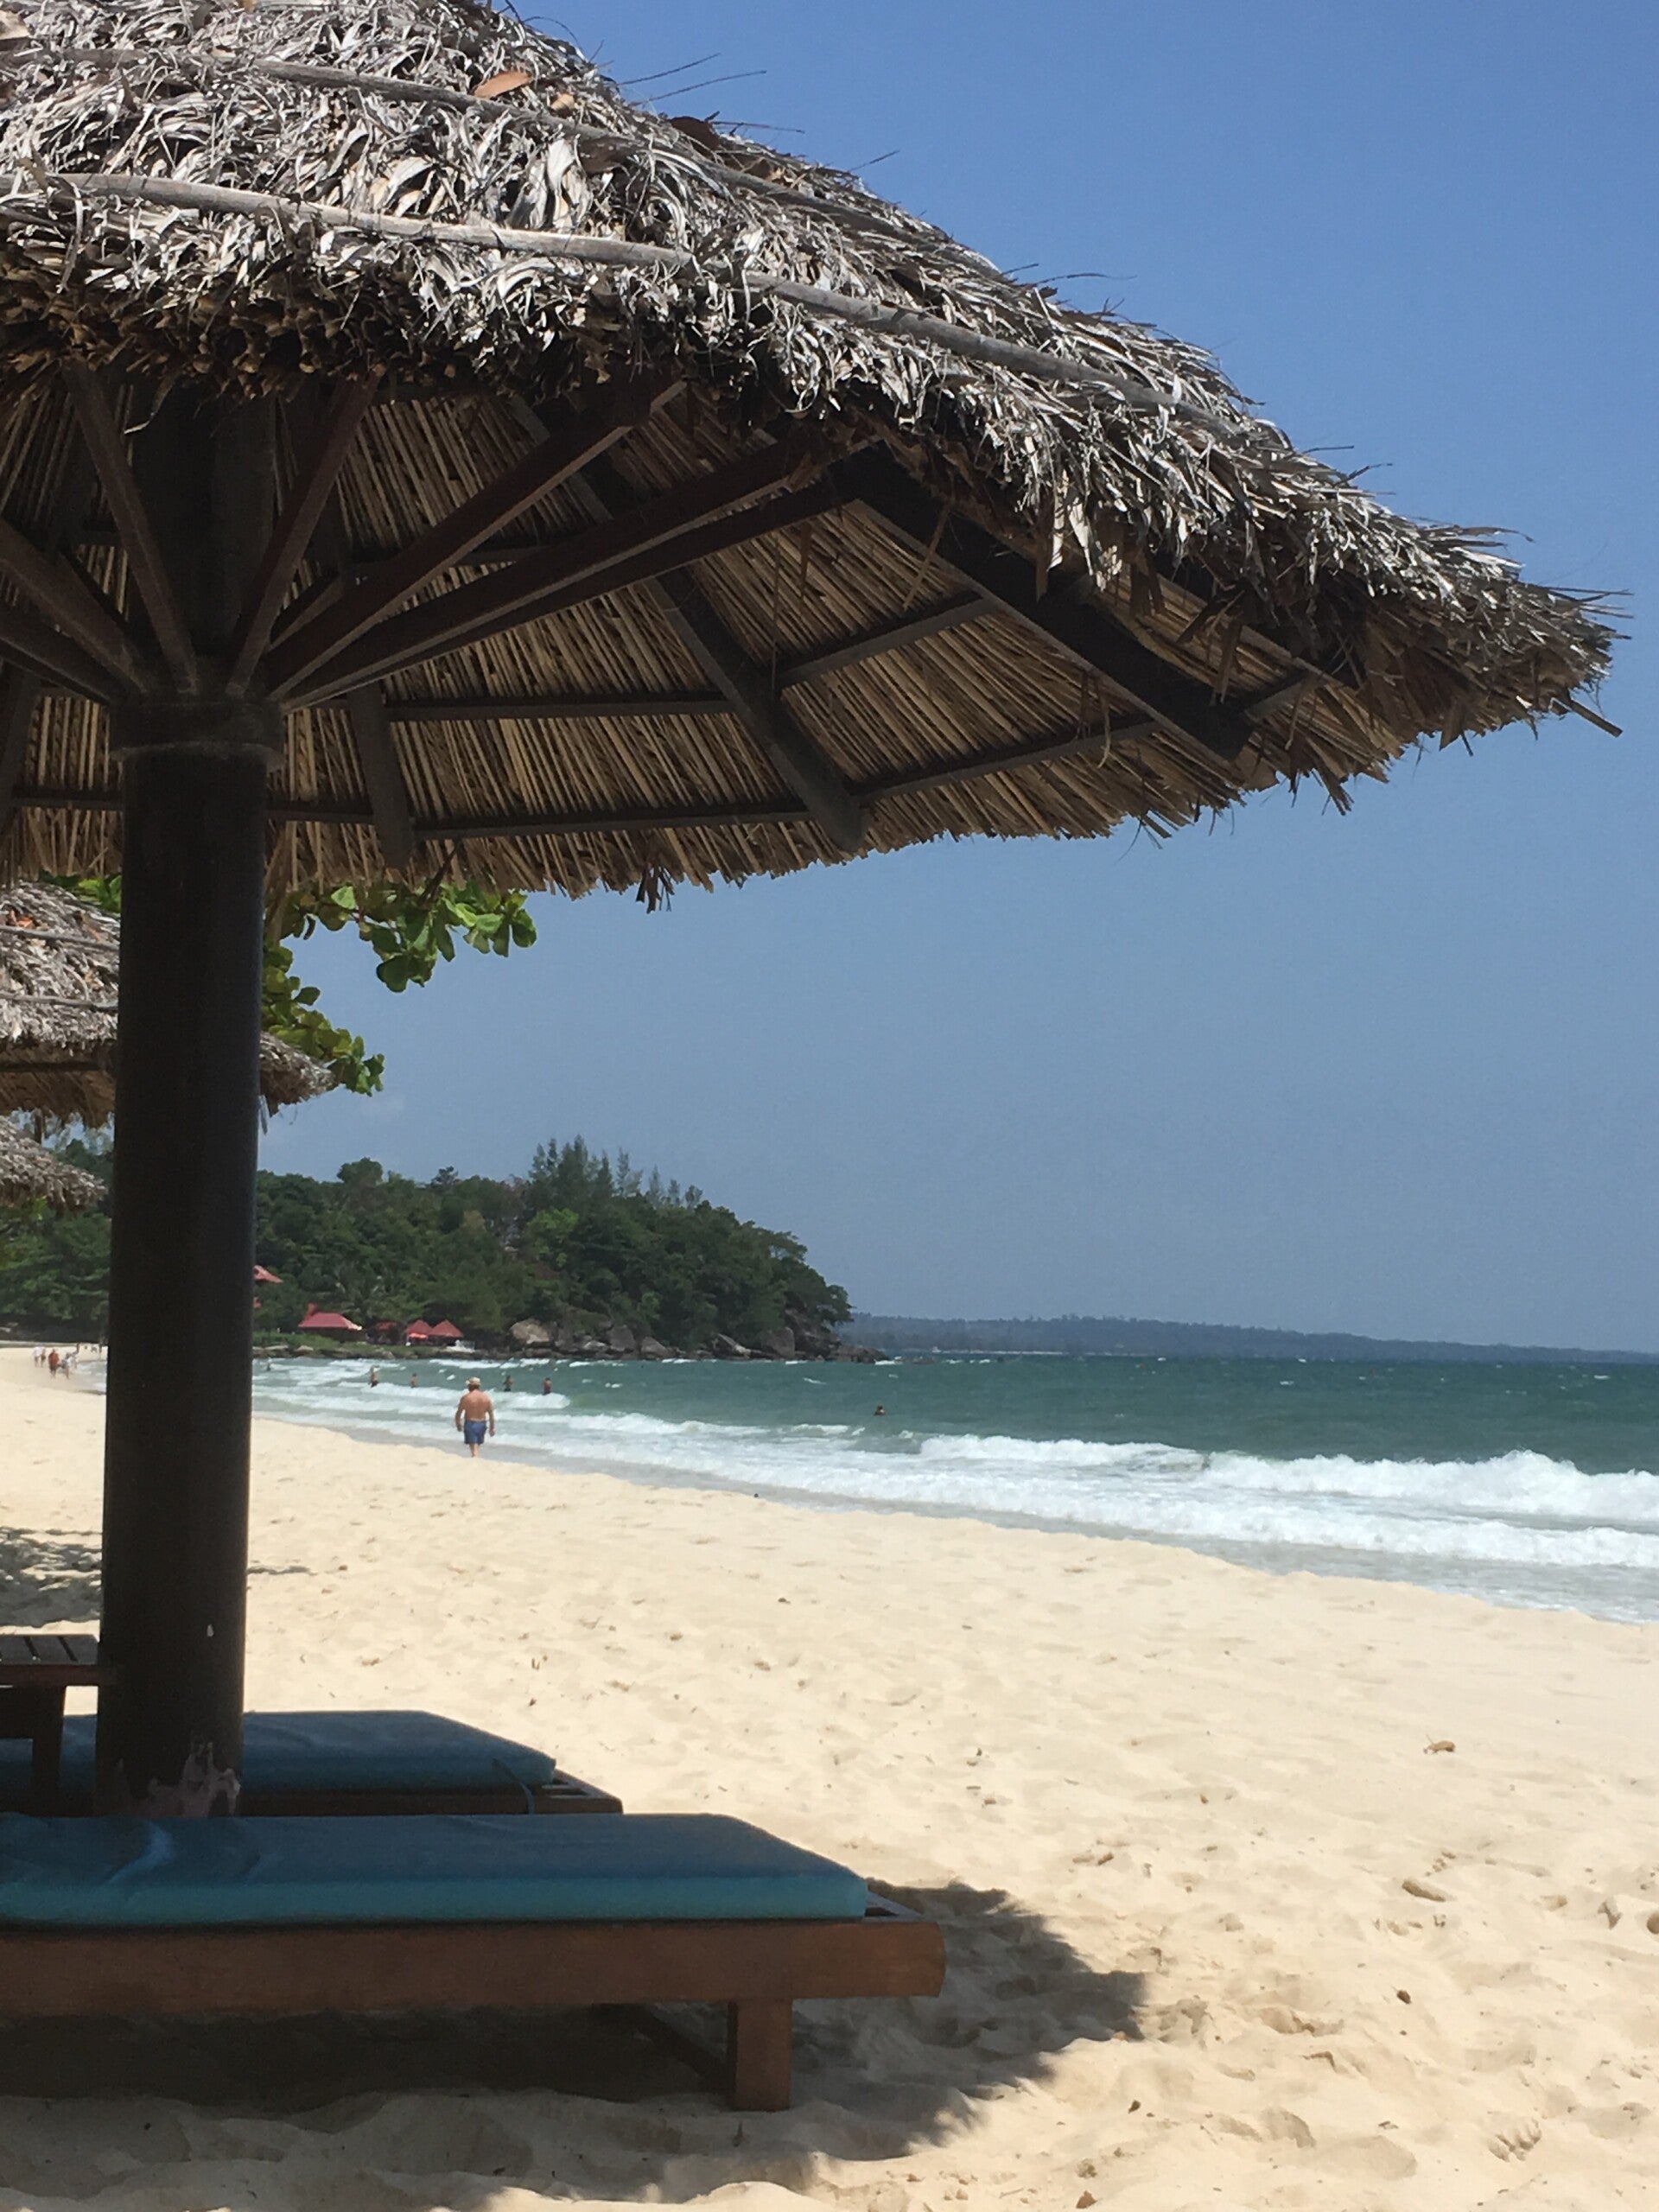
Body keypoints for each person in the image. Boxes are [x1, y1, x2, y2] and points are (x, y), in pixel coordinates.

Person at [454, 1376, 495, 1458]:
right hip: (482, 1423)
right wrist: (492, 1427)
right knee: (476, 1444)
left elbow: (459, 1412)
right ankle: (475, 1457)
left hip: (470, 1423)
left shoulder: (466, 1398)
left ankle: (475, 1457)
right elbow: (491, 1414)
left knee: (473, 1446)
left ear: (470, 1386)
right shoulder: (486, 1398)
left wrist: (458, 1424)